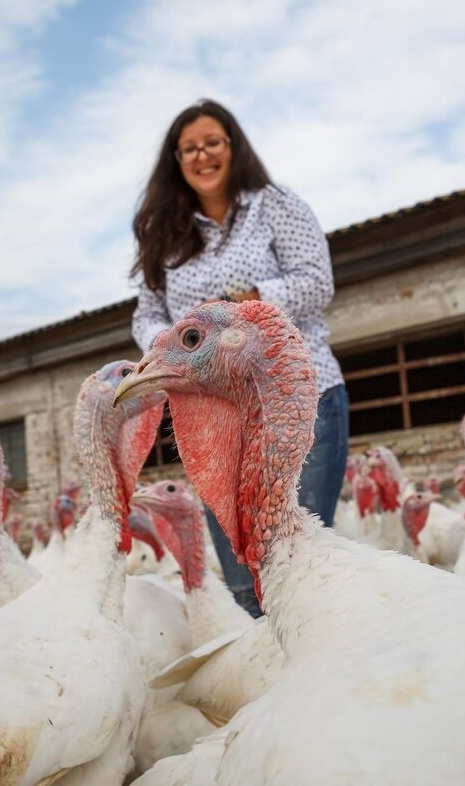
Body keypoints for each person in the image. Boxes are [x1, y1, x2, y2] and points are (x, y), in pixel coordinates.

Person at [130, 99, 349, 617]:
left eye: (212, 142)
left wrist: (253, 300)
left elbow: (317, 282)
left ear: (233, 146)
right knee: (241, 569)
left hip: (297, 398)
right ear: (176, 160)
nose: (202, 155)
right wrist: (173, 349)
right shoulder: (164, 233)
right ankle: (266, 675)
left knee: (296, 560)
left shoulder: (275, 205)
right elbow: (146, 314)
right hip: (221, 417)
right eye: (189, 149)